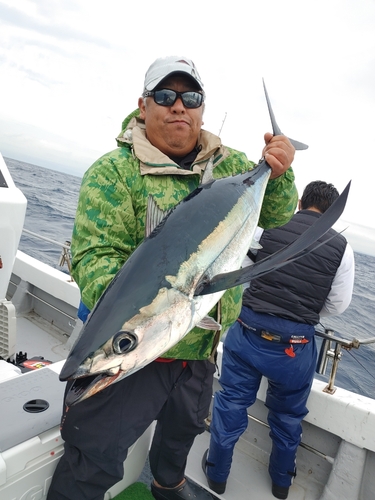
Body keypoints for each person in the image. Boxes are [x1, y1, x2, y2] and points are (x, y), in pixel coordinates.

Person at [47, 55, 299, 500]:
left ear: (201, 108)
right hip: (139, 355)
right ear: (143, 106)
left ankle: (168, 484)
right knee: (93, 457)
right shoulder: (113, 174)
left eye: (191, 97)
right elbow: (95, 257)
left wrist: (279, 173)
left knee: (181, 434)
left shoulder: (233, 164)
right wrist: (134, 332)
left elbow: (278, 216)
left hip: (201, 343)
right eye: (165, 95)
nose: (178, 106)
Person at [202, 180, 355, 499]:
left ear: (300, 201)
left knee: (231, 403)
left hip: (248, 334)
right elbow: (338, 304)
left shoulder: (268, 228)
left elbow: (242, 269)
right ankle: (282, 484)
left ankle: (217, 475)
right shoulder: (343, 247)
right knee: (288, 418)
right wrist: (304, 310)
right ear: (332, 212)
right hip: (295, 348)